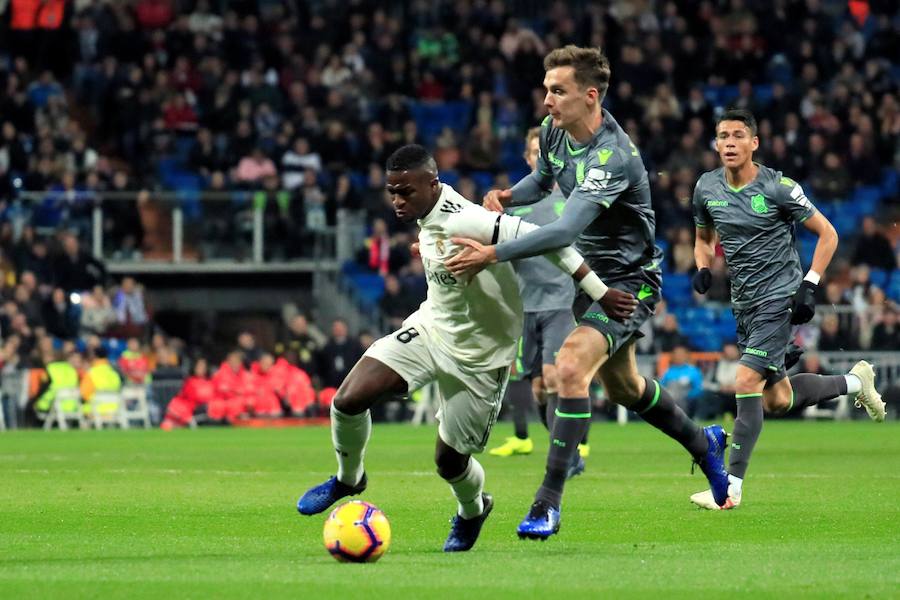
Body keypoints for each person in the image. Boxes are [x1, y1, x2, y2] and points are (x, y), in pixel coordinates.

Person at [446, 45, 729, 539]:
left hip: (629, 281)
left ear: (590, 96)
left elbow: (561, 229)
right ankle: (704, 443)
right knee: (625, 388)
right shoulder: (556, 131)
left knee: (570, 368)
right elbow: (543, 180)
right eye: (546, 89)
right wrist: (511, 195)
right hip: (588, 276)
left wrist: (492, 253)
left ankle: (546, 503)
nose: (547, 101)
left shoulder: (612, 157)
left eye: (558, 91)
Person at [297, 144, 618, 553]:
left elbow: (549, 240)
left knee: (449, 463)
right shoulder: (426, 215)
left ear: (432, 184)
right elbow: (439, 241)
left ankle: (473, 510)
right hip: (431, 328)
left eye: (405, 192)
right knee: (347, 399)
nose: (397, 200)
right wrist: (427, 251)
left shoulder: (469, 219)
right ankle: (349, 478)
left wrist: (598, 291)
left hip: (480, 356)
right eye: (391, 191)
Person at [689, 109, 885, 511]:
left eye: (738, 135)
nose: (728, 142)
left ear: (754, 143)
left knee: (745, 380)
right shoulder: (706, 187)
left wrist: (809, 285)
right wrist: (703, 268)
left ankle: (730, 488)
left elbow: (828, 233)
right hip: (742, 303)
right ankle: (854, 381)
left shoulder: (779, 187)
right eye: (722, 136)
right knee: (776, 400)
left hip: (778, 299)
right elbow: (703, 237)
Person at [488, 127, 590, 471]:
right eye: (533, 151)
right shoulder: (512, 201)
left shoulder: (571, 197)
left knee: (551, 377)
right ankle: (569, 452)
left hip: (561, 303)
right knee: (537, 388)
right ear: (526, 157)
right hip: (524, 306)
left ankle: (566, 455)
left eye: (542, 151)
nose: (538, 156)